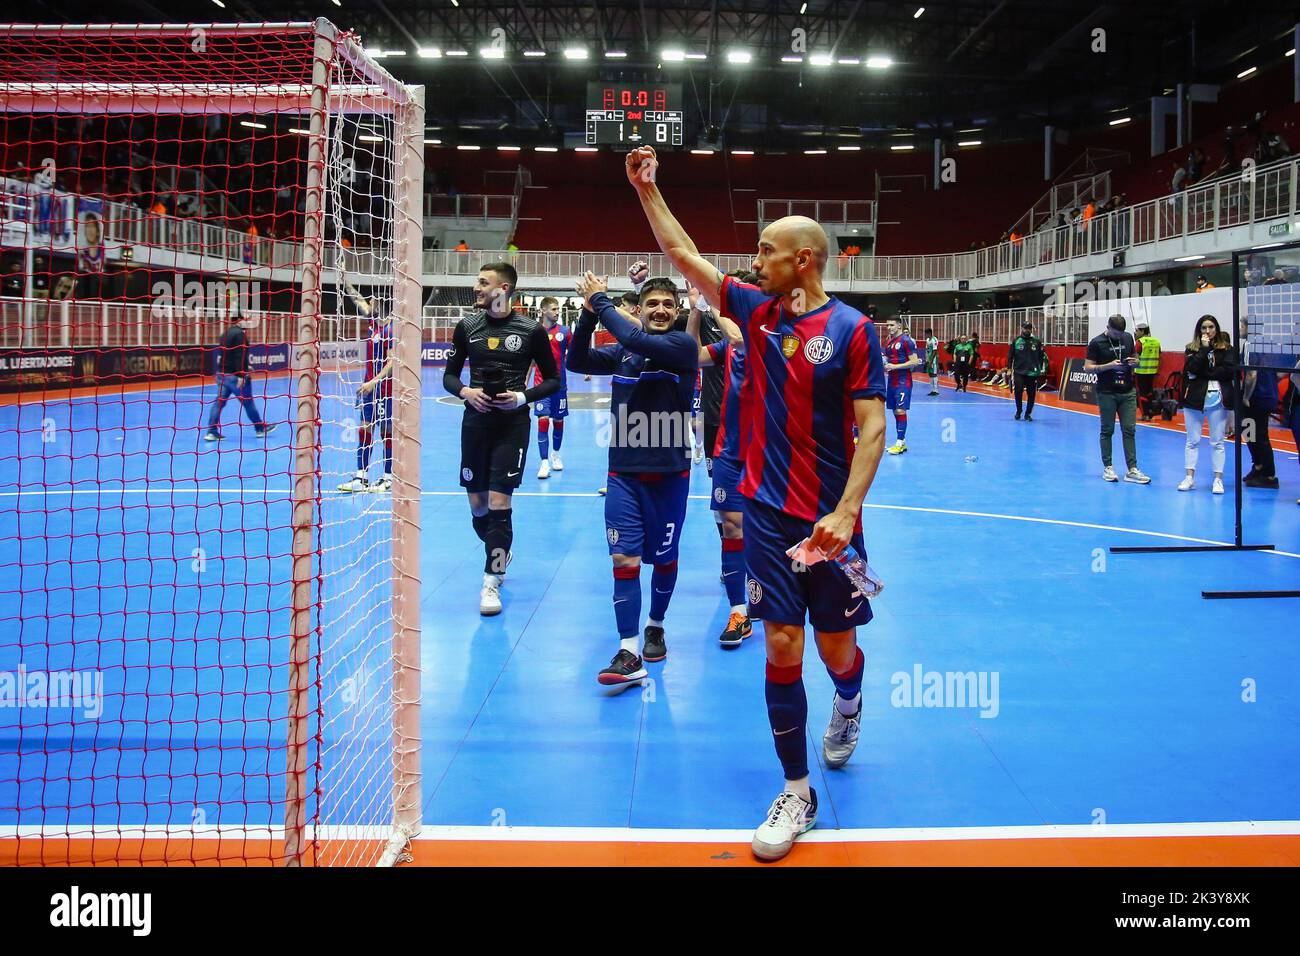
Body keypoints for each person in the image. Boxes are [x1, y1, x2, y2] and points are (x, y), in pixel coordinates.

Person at [626, 143, 888, 862]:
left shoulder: (852, 332)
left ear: (804, 260)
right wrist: (649, 189)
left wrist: (844, 511)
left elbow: (874, 428)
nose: (755, 259)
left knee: (837, 649)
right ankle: (796, 789)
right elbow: (682, 255)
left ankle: (849, 702)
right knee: (779, 642)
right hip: (766, 514)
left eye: (768, 251)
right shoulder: (753, 309)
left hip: (830, 521)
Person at [566, 271, 698, 686]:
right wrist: (588, 315)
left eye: (668, 305)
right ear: (639, 309)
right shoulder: (625, 351)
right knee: (623, 559)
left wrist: (600, 299)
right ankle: (627, 650)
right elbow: (576, 361)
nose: (660, 310)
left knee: (663, 557)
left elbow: (640, 339)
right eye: (652, 304)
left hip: (670, 475)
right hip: (622, 474)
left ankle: (655, 623)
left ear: (677, 314)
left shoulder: (683, 346)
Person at [443, 262, 560, 616]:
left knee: (499, 503)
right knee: (478, 506)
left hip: (512, 426)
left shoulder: (531, 330)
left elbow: (553, 380)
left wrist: (522, 397)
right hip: (475, 425)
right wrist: (466, 392)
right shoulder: (467, 327)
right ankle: (499, 547)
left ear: (504, 288)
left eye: (483, 282)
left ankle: (492, 579)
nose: (476, 287)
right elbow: (449, 377)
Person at [688, 276, 751, 647]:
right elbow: (693, 355)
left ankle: (766, 598)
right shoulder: (727, 347)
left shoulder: (767, 335)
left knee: (765, 532)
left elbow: (742, 337)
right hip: (729, 449)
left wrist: (713, 301)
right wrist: (695, 309)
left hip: (768, 450)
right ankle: (739, 610)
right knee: (731, 526)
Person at [338, 286, 395, 492]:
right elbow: (358, 300)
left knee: (386, 431)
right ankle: (361, 477)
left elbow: (392, 361)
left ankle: (388, 477)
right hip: (369, 389)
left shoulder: (391, 329)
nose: (369, 305)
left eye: (373, 303)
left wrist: (374, 381)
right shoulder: (374, 324)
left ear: (381, 305)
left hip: (385, 389)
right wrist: (345, 281)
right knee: (364, 427)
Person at [1084, 315, 1150, 483]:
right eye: (1115, 333)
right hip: (1107, 392)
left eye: (1121, 333)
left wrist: (1135, 362)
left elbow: (1136, 357)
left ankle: (1132, 469)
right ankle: (1108, 467)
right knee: (1107, 430)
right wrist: (1109, 366)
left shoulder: (1128, 337)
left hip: (1127, 391)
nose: (1119, 336)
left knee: (1129, 430)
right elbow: (1088, 367)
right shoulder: (1096, 342)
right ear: (1108, 327)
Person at [1178, 315, 1239, 495]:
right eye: (1204, 328)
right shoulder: (1191, 348)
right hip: (1194, 400)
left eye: (1211, 327)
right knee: (1192, 440)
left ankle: (1218, 480)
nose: (1207, 331)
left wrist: (1206, 373)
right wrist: (1203, 351)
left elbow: (1228, 371)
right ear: (1199, 330)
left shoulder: (1227, 349)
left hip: (1218, 400)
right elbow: (1192, 368)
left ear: (1216, 329)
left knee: (1217, 442)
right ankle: (1189, 477)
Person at [204, 315, 276, 441]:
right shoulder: (240, 335)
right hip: (235, 376)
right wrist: (241, 374)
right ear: (240, 320)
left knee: (219, 403)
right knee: (248, 402)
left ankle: (211, 432)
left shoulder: (225, 334)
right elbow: (239, 356)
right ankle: (260, 428)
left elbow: (226, 355)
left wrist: (246, 366)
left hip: (222, 375)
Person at [1238, 319, 1279, 490]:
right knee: (1250, 431)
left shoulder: (1250, 344)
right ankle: (1259, 466)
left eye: (1242, 325)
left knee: (1258, 434)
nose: (1240, 328)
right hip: (1268, 394)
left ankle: (1269, 474)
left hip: (1257, 397)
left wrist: (1246, 396)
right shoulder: (1267, 344)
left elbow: (1251, 374)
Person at [532, 297, 569, 479]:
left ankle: (556, 454)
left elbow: (577, 353)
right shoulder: (534, 332)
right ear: (543, 311)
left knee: (558, 421)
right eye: (553, 309)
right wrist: (523, 381)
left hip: (560, 385)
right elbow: (529, 359)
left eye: (558, 308)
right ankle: (544, 462)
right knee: (543, 419)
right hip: (541, 384)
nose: (557, 311)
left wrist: (586, 369)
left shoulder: (565, 331)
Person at [882, 317, 921, 454]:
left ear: (899, 325)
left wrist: (895, 366)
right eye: (887, 325)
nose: (889, 327)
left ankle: (899, 442)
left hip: (903, 381)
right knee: (894, 411)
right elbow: (887, 358)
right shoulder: (888, 342)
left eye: (892, 325)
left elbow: (915, 362)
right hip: (892, 381)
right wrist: (883, 362)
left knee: (900, 410)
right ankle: (902, 442)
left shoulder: (906, 341)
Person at [1007, 319, 1045, 421]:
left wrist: (1040, 368)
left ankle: (1028, 414)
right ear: (1022, 328)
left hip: (1032, 372)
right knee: (1018, 391)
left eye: (1029, 328)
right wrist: (1009, 369)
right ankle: (1019, 411)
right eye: (1025, 328)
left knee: (1031, 393)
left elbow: (1041, 356)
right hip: (1019, 371)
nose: (1027, 330)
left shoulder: (1037, 342)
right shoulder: (1016, 341)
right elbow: (1010, 356)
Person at [1133, 321, 1162, 421]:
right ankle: (1150, 412)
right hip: (1152, 372)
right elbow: (1160, 355)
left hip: (1141, 372)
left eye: (1137, 331)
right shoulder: (1157, 342)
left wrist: (1132, 370)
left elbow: (1135, 358)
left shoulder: (1140, 342)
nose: (1135, 333)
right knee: (1149, 393)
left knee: (1141, 394)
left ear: (1142, 331)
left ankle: (1145, 414)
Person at [923, 327, 940, 395]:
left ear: (929, 333)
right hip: (929, 359)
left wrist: (931, 361)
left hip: (933, 360)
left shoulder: (934, 340)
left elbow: (935, 351)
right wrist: (927, 359)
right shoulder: (927, 340)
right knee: (930, 374)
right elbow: (927, 350)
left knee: (934, 374)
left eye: (926, 334)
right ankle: (932, 390)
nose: (925, 335)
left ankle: (936, 391)